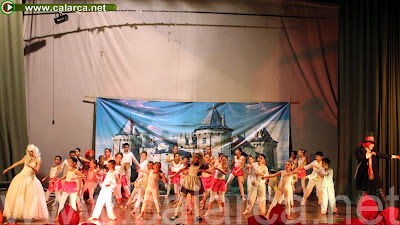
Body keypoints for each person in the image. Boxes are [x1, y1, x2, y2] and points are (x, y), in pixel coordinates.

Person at [2, 144, 49, 222]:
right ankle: (13, 213)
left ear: (34, 152)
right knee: (18, 195)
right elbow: (16, 163)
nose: (30, 153)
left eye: (31, 151)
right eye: (29, 151)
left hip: (31, 179)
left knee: (30, 197)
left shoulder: (38, 160)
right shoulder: (26, 158)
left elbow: (37, 171)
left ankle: (31, 214)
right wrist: (7, 169)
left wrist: (31, 167)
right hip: (22, 177)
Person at [354, 134, 400, 208]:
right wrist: (368, 155)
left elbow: (382, 155)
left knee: (379, 189)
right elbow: (360, 158)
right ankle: (360, 209)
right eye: (371, 143)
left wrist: (394, 156)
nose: (373, 145)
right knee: (363, 192)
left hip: (373, 173)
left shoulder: (373, 151)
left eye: (373, 144)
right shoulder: (360, 150)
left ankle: (386, 206)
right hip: (363, 174)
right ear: (367, 143)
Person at [170, 151, 209, 221]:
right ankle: (176, 214)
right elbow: (182, 169)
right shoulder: (189, 163)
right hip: (188, 181)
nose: (195, 159)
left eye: (197, 158)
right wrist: (174, 175)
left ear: (200, 158)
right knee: (181, 199)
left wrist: (202, 170)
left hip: (196, 182)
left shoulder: (202, 165)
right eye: (194, 157)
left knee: (196, 200)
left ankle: (197, 215)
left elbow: (210, 171)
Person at [55, 157, 86, 222]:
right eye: (69, 161)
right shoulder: (69, 169)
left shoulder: (76, 170)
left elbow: (83, 176)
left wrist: (75, 178)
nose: (69, 163)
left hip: (72, 186)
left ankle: (74, 217)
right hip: (67, 185)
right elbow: (66, 176)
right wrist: (59, 180)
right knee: (62, 201)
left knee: (73, 202)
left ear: (74, 163)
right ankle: (58, 215)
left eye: (70, 162)